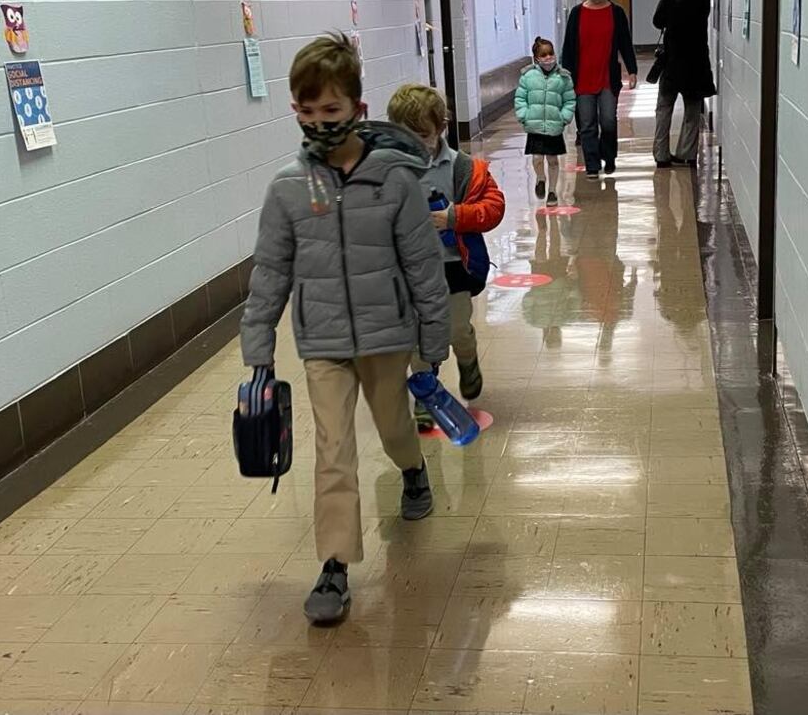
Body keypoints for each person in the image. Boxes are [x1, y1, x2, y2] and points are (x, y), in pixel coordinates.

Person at [239, 34, 450, 624]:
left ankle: (412, 471)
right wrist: (258, 349)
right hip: (324, 341)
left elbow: (423, 266)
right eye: (306, 113)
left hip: (387, 335)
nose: (317, 123)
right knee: (333, 450)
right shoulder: (287, 188)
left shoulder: (395, 181)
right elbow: (270, 273)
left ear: (358, 109)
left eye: (329, 111)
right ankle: (334, 567)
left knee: (392, 430)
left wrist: (432, 345)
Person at [387, 84, 506, 430]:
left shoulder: (463, 168)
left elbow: (493, 207)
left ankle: (467, 360)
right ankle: (427, 395)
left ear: (441, 128)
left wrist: (454, 217)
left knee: (456, 329)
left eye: (421, 135)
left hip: (454, 265)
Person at [561, 0, 638, 180]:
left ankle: (609, 157)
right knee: (586, 124)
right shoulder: (577, 13)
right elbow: (568, 47)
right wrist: (565, 75)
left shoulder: (616, 12)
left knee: (608, 121)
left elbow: (625, 43)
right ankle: (592, 165)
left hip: (606, 78)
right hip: (582, 78)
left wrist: (632, 70)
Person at [651, 0, 717, 168]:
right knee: (692, 112)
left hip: (672, 62)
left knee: (664, 109)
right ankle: (687, 154)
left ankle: (661, 155)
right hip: (696, 62)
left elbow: (656, 21)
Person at [515, 37, 576, 206]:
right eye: (544, 55)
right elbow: (520, 98)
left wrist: (564, 117)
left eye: (551, 53)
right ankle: (540, 178)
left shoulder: (563, 77)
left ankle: (552, 191)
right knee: (537, 159)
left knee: (553, 160)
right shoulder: (528, 76)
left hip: (554, 126)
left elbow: (569, 100)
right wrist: (524, 115)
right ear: (536, 58)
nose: (548, 58)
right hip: (534, 125)